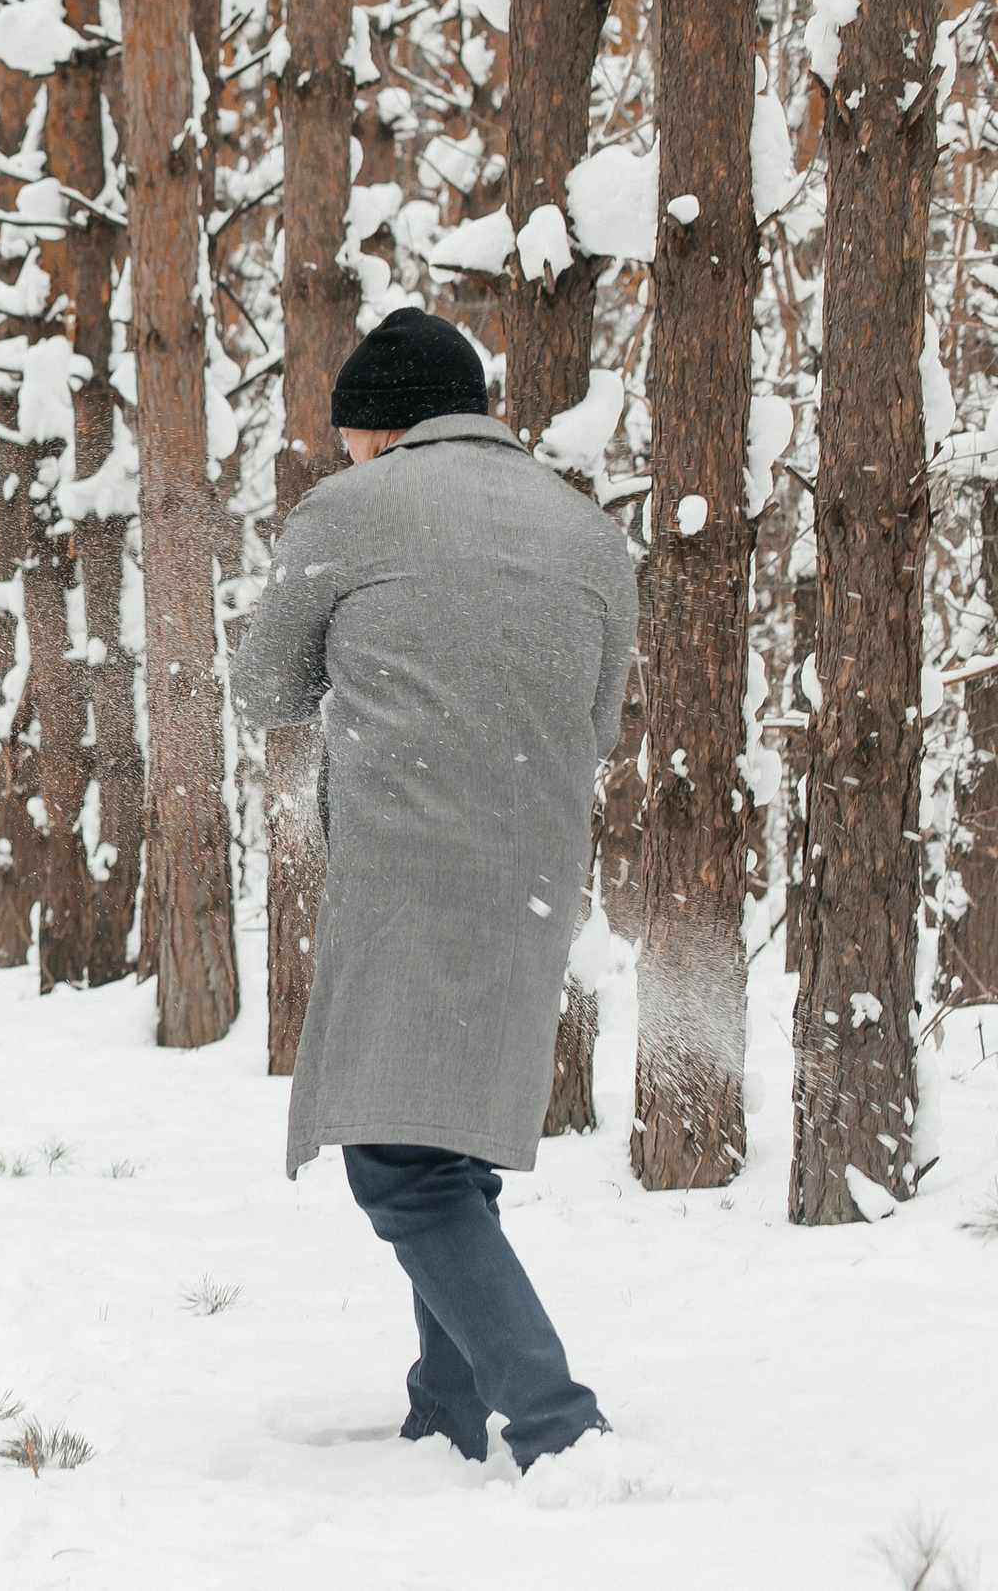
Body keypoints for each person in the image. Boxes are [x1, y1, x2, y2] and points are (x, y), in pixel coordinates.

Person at [232, 307, 637, 1471]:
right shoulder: (584, 529)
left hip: (406, 871)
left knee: (399, 1167)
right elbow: (598, 720)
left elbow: (264, 690)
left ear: (376, 426)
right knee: (445, 1149)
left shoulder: (347, 510)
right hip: (536, 872)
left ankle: (556, 1424)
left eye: (349, 436)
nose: (349, 454)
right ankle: (443, 1413)